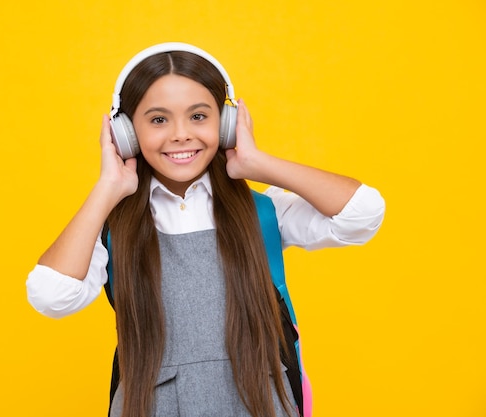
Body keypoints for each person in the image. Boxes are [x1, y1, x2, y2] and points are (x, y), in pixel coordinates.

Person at [26, 43, 385, 417]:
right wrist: (107, 188)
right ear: (126, 132)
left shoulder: (263, 210)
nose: (181, 134)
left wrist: (258, 163)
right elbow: (51, 296)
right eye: (158, 120)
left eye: (198, 116)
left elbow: (362, 214)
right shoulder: (111, 227)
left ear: (227, 123)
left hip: (260, 404)